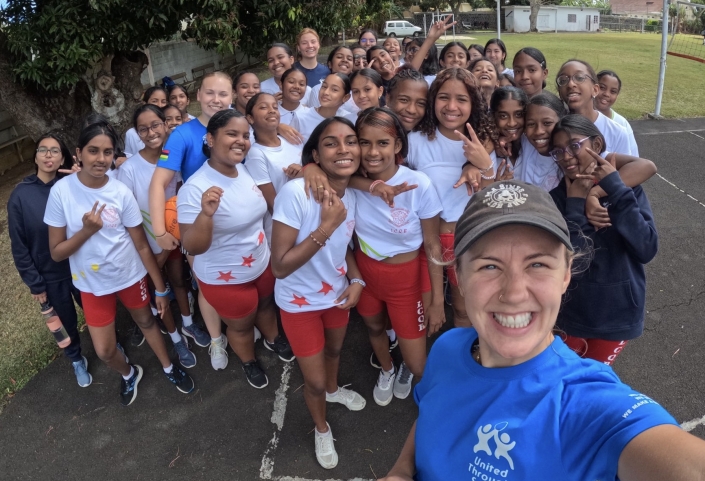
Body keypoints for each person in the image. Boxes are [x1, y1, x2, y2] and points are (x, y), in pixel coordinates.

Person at [380, 179, 705, 481]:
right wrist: (401, 470)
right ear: (460, 278)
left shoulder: (586, 404)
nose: (515, 292)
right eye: (489, 265)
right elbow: (431, 412)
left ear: (565, 275)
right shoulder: (448, 347)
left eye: (537, 264)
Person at [45, 118, 194, 406]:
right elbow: (57, 253)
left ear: (114, 156)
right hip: (91, 284)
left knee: (148, 321)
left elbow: (140, 243)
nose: (100, 159)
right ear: (78, 153)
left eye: (108, 152)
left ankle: (168, 366)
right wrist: (87, 231)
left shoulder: (119, 191)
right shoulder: (61, 192)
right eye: (93, 150)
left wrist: (160, 288)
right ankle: (129, 373)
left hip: (130, 275)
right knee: (103, 350)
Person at [271, 117, 367, 469]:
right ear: (315, 153)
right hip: (299, 305)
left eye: (351, 141)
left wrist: (357, 281)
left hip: (336, 296)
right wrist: (326, 226)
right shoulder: (296, 193)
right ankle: (321, 426)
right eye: (331, 143)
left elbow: (346, 248)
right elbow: (279, 266)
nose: (343, 149)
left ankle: (333, 390)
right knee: (310, 379)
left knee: (336, 350)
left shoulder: (352, 195)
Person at [177, 110, 294, 389]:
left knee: (266, 306)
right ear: (210, 139)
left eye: (245, 135)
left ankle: (272, 337)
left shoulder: (243, 169)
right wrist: (205, 215)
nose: (241, 141)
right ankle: (249, 361)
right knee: (240, 327)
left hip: (261, 263)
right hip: (225, 278)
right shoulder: (195, 189)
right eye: (232, 134)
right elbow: (192, 246)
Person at [352, 108, 445, 405]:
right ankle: (388, 368)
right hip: (366, 273)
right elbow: (318, 171)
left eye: (382, 143)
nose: (372, 151)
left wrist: (437, 301)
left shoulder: (419, 184)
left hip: (405, 279)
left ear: (398, 146)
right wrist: (374, 185)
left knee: (419, 365)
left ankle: (407, 370)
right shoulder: (351, 180)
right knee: (375, 327)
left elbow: (432, 245)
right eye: (364, 142)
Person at [548, 114, 657, 365]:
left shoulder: (627, 188)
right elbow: (575, 262)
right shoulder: (557, 199)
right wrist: (575, 204)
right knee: (560, 378)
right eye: (558, 151)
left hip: (617, 316)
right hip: (570, 315)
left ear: (596, 145)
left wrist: (615, 191)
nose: (566, 156)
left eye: (574, 146)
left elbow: (646, 248)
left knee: (593, 383)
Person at [149, 71, 234, 370]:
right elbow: (158, 183)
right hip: (199, 225)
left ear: (232, 97)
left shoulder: (238, 126)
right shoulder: (182, 135)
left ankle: (239, 327)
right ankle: (215, 339)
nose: (216, 99)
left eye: (223, 94)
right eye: (210, 93)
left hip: (239, 223)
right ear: (198, 96)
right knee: (208, 286)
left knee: (241, 278)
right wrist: (159, 230)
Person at [407, 67, 498, 328]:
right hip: (428, 240)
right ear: (433, 98)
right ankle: (422, 367)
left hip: (469, 241)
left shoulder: (482, 142)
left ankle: (463, 363)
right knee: (426, 312)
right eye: (443, 97)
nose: (451, 106)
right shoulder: (416, 141)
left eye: (462, 99)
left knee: (463, 310)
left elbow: (488, 203)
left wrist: (485, 167)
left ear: (474, 104)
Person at [116, 105, 197, 369]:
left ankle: (188, 325)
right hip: (147, 246)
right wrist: (154, 250)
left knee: (179, 282)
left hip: (174, 237)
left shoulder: (176, 158)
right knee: (157, 291)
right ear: (136, 133)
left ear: (165, 125)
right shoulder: (129, 170)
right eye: (143, 128)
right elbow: (128, 216)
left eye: (155, 125)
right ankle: (175, 340)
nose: (151, 132)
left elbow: (182, 194)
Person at [8, 133, 90, 387]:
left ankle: (110, 343)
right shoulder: (20, 196)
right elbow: (19, 245)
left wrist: (82, 178)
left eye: (55, 151)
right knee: (65, 323)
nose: (48, 155)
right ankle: (76, 358)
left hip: (81, 267)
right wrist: (35, 283)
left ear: (63, 157)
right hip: (50, 275)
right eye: (43, 150)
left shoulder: (71, 185)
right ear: (35, 156)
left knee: (96, 311)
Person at [246, 92, 303, 241]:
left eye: (275, 107)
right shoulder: (256, 154)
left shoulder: (291, 139)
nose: (272, 110)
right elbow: (273, 204)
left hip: (309, 215)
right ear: (250, 118)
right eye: (263, 107)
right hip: (287, 227)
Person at [555, 59, 632, 156]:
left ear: (595, 90)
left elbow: (632, 166)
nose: (570, 84)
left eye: (579, 78)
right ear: (560, 93)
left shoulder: (617, 132)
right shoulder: (556, 129)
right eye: (563, 80)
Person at [292, 73, 351, 143]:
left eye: (334, 90)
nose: (326, 92)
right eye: (324, 86)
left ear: (345, 97)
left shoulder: (349, 119)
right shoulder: (301, 117)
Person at [595, 70, 639, 156]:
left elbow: (634, 158)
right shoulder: (580, 116)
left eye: (613, 91)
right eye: (602, 87)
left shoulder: (622, 124)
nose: (607, 94)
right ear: (594, 88)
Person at [490, 86, 529, 180]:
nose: (512, 123)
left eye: (518, 114)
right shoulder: (488, 149)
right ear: (493, 116)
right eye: (503, 116)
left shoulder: (532, 145)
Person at [306, 46, 355, 112]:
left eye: (349, 59)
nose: (345, 60)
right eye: (339, 57)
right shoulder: (317, 90)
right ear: (330, 64)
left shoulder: (356, 91)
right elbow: (313, 116)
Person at [124, 86, 168, 156]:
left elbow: (169, 154)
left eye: (163, 101)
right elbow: (128, 156)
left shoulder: (171, 130)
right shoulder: (131, 134)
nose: (160, 105)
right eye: (154, 101)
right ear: (145, 103)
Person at [385, 67, 429, 133]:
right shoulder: (372, 132)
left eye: (421, 103)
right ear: (388, 99)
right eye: (404, 100)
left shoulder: (427, 137)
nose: (411, 110)